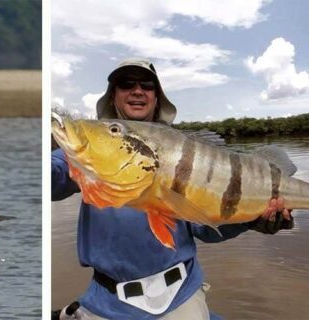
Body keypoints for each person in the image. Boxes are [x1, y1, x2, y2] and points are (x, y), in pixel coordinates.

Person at [52, 58, 294, 320]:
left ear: (156, 98)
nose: (137, 90)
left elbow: (205, 227)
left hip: (181, 294)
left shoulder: (184, 151)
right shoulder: (86, 154)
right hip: (106, 301)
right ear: (113, 96)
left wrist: (252, 219)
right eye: (126, 83)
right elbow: (49, 179)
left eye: (147, 85)